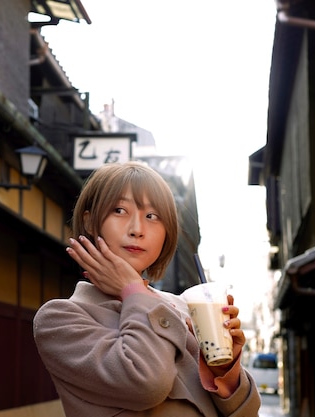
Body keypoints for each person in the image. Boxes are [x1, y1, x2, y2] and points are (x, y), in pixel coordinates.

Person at [33, 161, 261, 416]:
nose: (137, 230)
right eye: (120, 210)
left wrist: (223, 369)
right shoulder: (59, 319)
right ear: (89, 221)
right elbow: (147, 384)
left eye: (152, 216)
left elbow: (248, 412)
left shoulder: (185, 307)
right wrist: (132, 289)